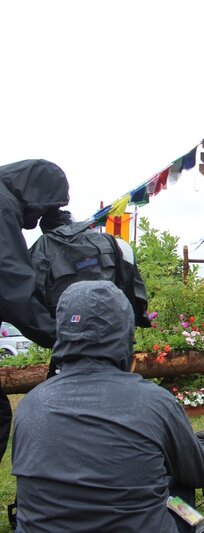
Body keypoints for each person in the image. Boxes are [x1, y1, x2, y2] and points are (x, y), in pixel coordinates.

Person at [12, 281, 204, 532]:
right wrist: (202, 449)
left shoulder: (30, 404)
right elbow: (197, 474)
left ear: (63, 332)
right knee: (178, 482)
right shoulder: (155, 402)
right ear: (125, 334)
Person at [0, 159, 69, 463]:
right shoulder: (2, 205)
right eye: (45, 208)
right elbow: (12, 286)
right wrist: (63, 336)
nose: (41, 216)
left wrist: (57, 228)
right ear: (35, 195)